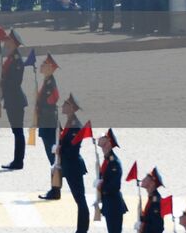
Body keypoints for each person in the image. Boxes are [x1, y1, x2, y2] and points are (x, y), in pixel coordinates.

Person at [55, 94, 89, 233]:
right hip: (69, 166)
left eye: (65, 104)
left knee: (80, 199)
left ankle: (82, 229)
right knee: (79, 199)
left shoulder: (75, 126)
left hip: (74, 167)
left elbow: (73, 150)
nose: (62, 106)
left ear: (71, 108)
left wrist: (60, 149)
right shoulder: (70, 122)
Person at [0, 28, 27, 170]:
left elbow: (15, 82)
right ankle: (17, 160)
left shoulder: (16, 60)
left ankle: (18, 161)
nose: (6, 43)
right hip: (11, 100)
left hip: (16, 100)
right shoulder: (10, 58)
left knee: (18, 131)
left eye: (9, 41)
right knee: (16, 131)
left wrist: (2, 82)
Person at [34, 53, 61, 200]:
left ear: (50, 68)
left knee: (53, 158)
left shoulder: (50, 82)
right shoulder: (47, 80)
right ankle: (54, 188)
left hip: (48, 121)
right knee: (52, 157)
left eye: (44, 64)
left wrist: (42, 107)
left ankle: (55, 189)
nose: (41, 66)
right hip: (46, 120)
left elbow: (54, 98)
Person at [96, 129, 128, 233]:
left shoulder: (114, 163)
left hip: (114, 205)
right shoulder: (107, 159)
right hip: (109, 203)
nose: (100, 139)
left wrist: (101, 187)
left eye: (104, 138)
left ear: (109, 143)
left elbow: (115, 186)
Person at [139, 168, 165, 233]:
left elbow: (156, 226)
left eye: (146, 178)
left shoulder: (156, 202)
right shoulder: (152, 198)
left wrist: (143, 227)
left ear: (152, 183)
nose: (143, 180)